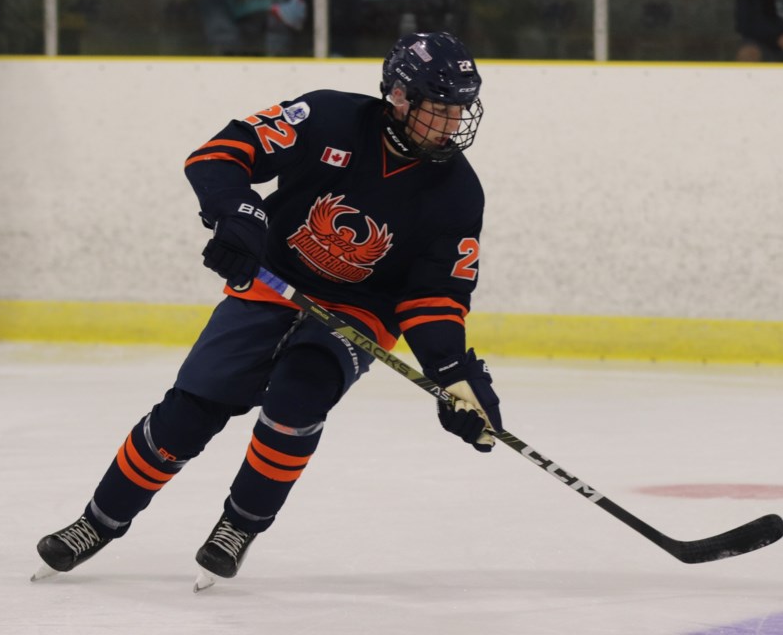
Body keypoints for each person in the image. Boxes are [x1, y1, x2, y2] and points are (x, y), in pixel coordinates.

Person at [32, 31, 503, 587]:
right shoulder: (328, 116)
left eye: (460, 111)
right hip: (271, 282)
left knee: (299, 397)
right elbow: (221, 154)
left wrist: (451, 372)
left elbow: (433, 296)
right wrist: (239, 214)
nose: (452, 124)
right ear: (399, 97)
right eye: (440, 109)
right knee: (189, 413)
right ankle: (98, 521)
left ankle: (239, 524)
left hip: (361, 311)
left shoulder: (458, 193)